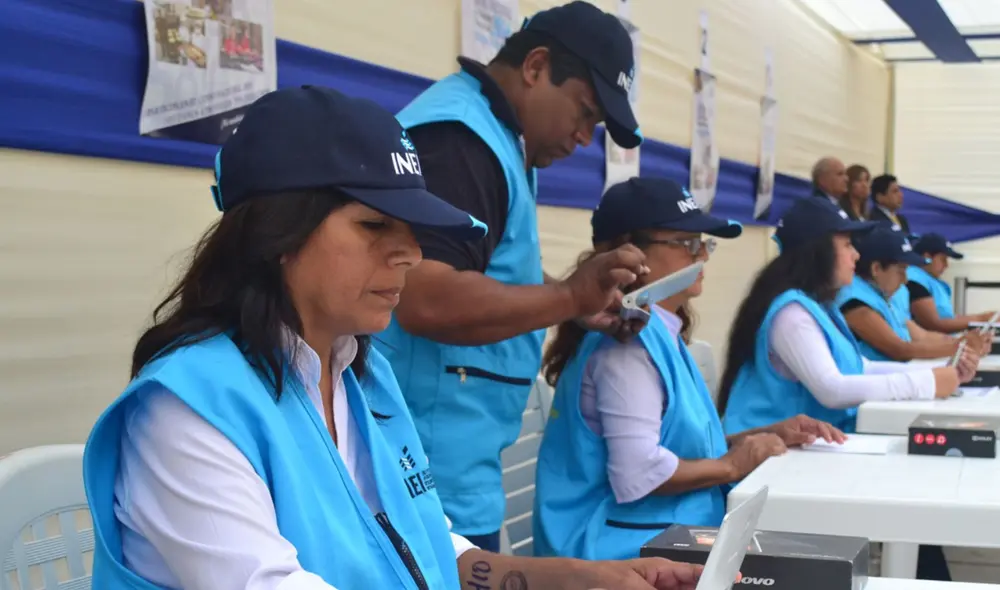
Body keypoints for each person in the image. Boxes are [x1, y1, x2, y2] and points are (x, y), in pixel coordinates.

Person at [81, 87, 706, 590]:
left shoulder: (361, 374)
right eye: (374, 224)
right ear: (275, 234)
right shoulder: (188, 410)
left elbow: (427, 544)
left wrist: (588, 580)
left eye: (413, 229)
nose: (409, 253)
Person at [374, 1, 646, 551]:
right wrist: (567, 295)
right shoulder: (461, 141)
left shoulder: (499, 140)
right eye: (585, 112)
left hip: (453, 465)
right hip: (423, 472)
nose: (585, 137)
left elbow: (489, 266)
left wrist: (571, 301)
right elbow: (423, 296)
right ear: (535, 66)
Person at [531, 178, 844, 561]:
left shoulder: (653, 329)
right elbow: (639, 473)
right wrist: (732, 465)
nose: (703, 257)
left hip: (655, 538)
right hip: (616, 556)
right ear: (627, 255)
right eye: (686, 244)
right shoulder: (627, 346)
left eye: (704, 244)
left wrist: (762, 435)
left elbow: (673, 447)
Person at [718, 198, 979, 436]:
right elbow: (832, 389)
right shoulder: (792, 314)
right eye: (847, 245)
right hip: (769, 459)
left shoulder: (820, 305)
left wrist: (942, 370)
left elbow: (861, 366)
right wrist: (926, 382)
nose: (856, 254)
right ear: (818, 252)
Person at [837, 228, 989, 361]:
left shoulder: (878, 295)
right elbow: (898, 349)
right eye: (901, 270)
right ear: (876, 269)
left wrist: (964, 341)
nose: (904, 280)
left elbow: (922, 336)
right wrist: (959, 347)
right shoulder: (855, 302)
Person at [906, 232, 996, 334]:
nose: (946, 265)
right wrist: (982, 319)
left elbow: (948, 318)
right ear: (927, 257)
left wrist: (985, 318)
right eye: (943, 259)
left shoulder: (928, 281)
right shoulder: (914, 281)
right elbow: (934, 324)